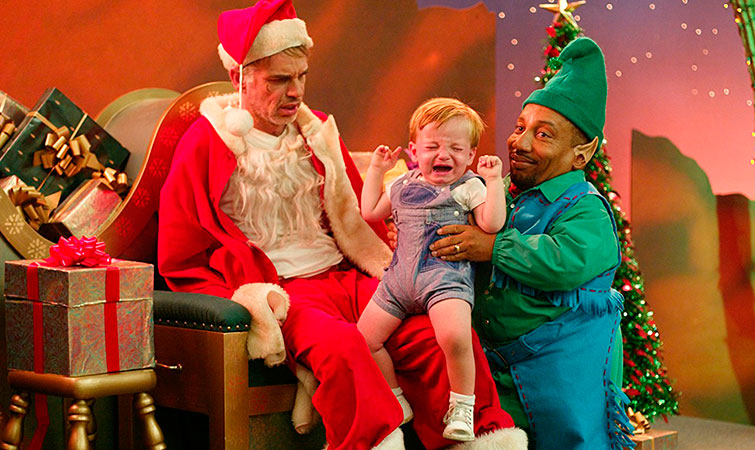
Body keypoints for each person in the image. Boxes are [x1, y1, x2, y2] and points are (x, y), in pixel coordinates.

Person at [157, 1, 526, 449]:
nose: (295, 92)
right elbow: (181, 255)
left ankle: (480, 439)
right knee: (344, 348)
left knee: (436, 334)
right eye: (279, 80)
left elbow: (357, 215)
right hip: (284, 291)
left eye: (301, 76)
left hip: (345, 276)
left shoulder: (315, 132)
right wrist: (250, 304)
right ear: (241, 77)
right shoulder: (207, 142)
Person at [428, 38, 635, 449]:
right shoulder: (500, 192)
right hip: (500, 368)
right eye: (520, 127)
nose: (520, 143)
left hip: (561, 377)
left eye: (543, 135)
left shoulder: (587, 209)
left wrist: (493, 247)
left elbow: (563, 263)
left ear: (581, 153)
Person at [358, 98, 506, 442]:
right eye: (432, 147)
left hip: (444, 279)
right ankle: (395, 398)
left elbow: (492, 223)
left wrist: (493, 180)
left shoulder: (468, 186)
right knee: (364, 340)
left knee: (455, 337)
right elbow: (370, 212)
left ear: (470, 155)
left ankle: (462, 406)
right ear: (414, 151)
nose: (444, 155)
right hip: (398, 282)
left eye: (456, 148)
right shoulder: (401, 184)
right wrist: (378, 170)